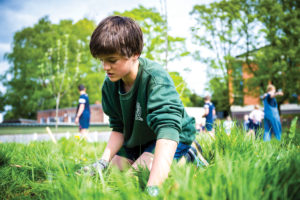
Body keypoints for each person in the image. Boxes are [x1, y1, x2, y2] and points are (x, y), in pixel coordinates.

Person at [83, 16, 201, 196]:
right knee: (111, 177)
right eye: (102, 60)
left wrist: (153, 188)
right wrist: (102, 162)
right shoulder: (110, 85)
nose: (105, 67)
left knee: (132, 180)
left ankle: (188, 154)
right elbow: (118, 128)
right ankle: (143, 157)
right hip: (138, 140)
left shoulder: (155, 79)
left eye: (112, 60)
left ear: (135, 54)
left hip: (170, 137)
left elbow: (167, 130)